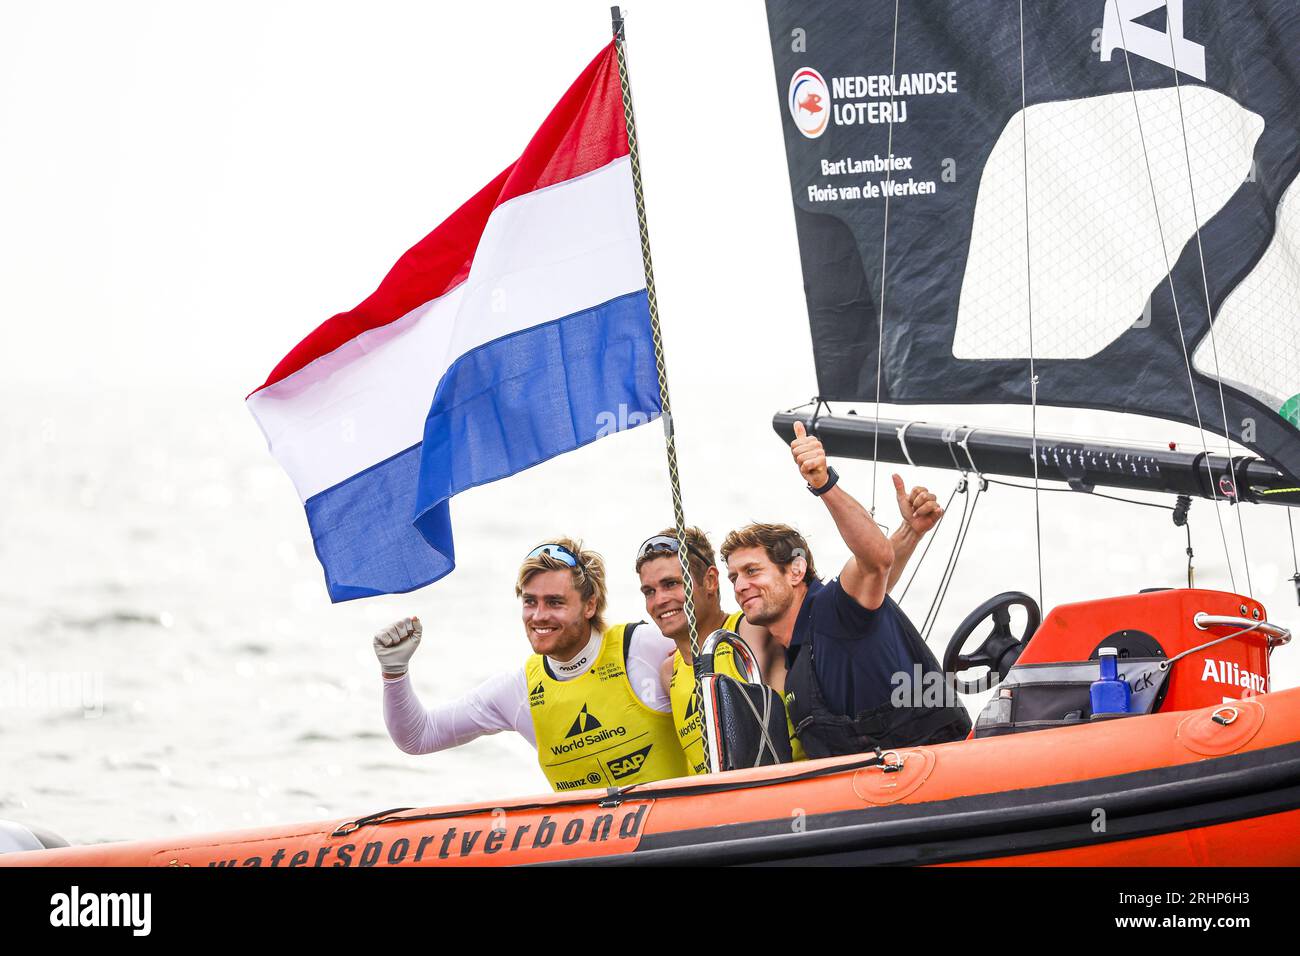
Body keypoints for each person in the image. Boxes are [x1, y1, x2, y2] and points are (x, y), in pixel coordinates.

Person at [720, 422, 972, 758]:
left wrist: (824, 483)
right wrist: (910, 533)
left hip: (938, 781)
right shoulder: (796, 663)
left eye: (752, 571)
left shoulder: (832, 609)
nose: (740, 585)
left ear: (796, 570)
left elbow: (877, 560)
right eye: (733, 577)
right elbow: (879, 566)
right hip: (866, 801)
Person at [374, 538, 688, 791]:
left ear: (590, 604)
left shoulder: (645, 647)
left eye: (554, 602)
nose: (538, 616)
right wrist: (394, 672)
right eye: (529, 602)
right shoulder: (518, 690)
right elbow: (418, 737)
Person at [635, 527, 804, 773]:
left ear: (711, 581)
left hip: (790, 799)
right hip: (722, 806)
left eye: (671, 584)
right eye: (649, 591)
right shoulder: (669, 671)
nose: (659, 600)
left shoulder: (750, 630)